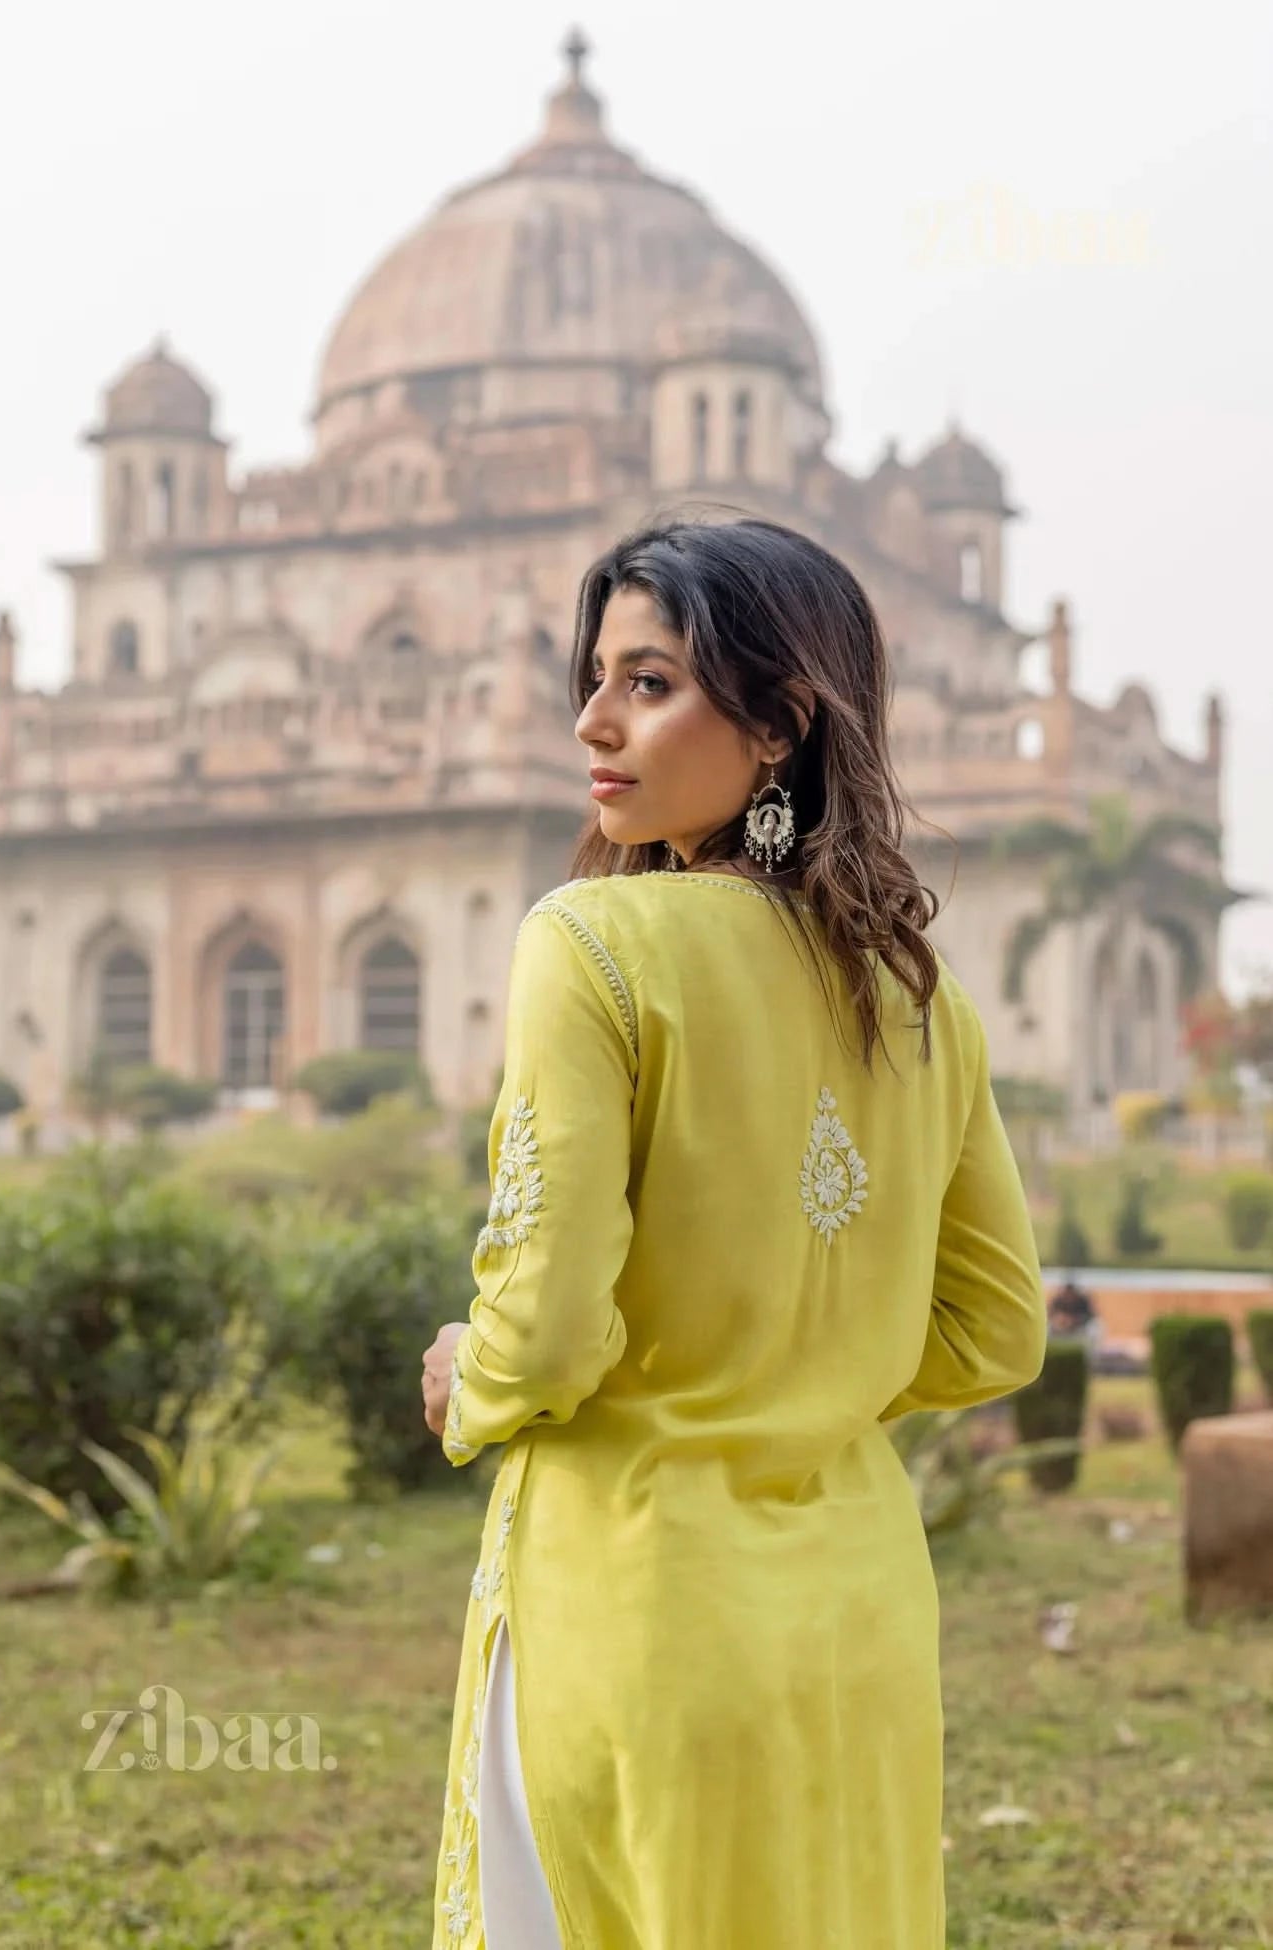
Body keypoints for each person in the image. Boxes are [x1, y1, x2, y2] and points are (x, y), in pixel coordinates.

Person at [421, 517, 1047, 1950]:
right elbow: (998, 1328)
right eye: (595, 679)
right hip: (858, 1623)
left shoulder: (588, 944)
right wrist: (801, 1379)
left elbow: (551, 1318)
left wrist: (475, 1377)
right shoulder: (919, 999)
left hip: (641, 1607)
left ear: (779, 720)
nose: (592, 721)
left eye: (650, 682)